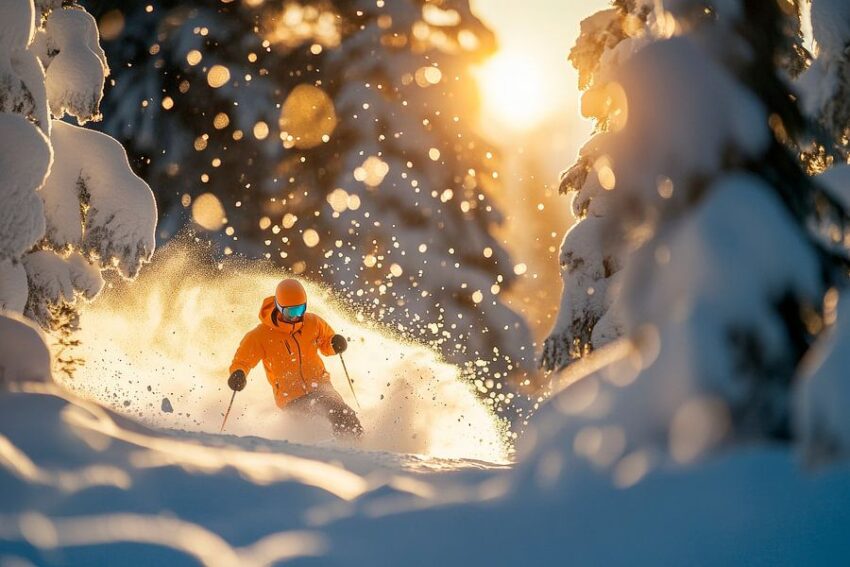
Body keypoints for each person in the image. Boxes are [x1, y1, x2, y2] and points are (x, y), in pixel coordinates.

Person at [227, 278, 363, 438]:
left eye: (300, 310)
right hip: (291, 396)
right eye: (290, 312)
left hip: (321, 384)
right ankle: (323, 451)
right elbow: (243, 361)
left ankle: (357, 442)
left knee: (340, 411)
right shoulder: (260, 335)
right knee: (316, 423)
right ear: (278, 307)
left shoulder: (313, 322)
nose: (295, 317)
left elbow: (326, 343)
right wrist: (239, 373)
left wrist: (334, 343)